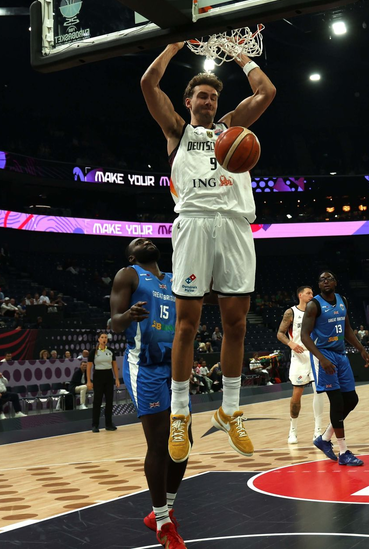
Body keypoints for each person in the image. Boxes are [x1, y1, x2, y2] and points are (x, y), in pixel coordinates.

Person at [141, 41, 276, 466]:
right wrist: (174, 44)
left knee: (235, 323)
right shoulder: (177, 131)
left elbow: (266, 93)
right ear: (188, 100)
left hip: (236, 225)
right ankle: (180, 413)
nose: (209, 100)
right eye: (202, 95)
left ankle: (230, 409)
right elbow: (148, 82)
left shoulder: (232, 127)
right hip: (195, 224)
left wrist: (240, 54)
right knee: (187, 325)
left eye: (214, 96)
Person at [110, 237, 190, 547]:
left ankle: (163, 510)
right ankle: (163, 524)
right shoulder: (128, 275)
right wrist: (127, 316)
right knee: (159, 442)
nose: (146, 240)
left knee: (183, 442)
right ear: (131, 256)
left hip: (175, 367)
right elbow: (114, 322)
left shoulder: (174, 279)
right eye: (137, 242)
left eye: (148, 239)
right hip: (145, 366)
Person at [300, 271, 369, 466]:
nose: (325, 281)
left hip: (341, 355)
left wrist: (361, 349)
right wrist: (321, 359)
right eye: (321, 279)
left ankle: (324, 438)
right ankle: (343, 452)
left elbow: (347, 329)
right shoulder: (314, 305)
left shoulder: (342, 301)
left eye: (329, 278)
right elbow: (305, 336)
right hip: (324, 355)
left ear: (335, 282)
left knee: (352, 399)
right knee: (337, 402)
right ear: (318, 285)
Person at [277, 285, 326, 444]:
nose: (312, 295)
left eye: (312, 293)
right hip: (299, 355)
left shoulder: (316, 312)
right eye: (308, 293)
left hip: (315, 354)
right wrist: (290, 344)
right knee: (296, 395)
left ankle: (318, 430)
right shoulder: (291, 312)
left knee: (319, 392)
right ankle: (293, 429)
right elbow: (280, 333)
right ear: (300, 295)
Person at [87, 332, 120, 432]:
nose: (104, 339)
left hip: (109, 376)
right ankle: (95, 425)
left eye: (105, 337)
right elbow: (89, 367)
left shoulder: (111, 351)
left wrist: (117, 379)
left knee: (109, 400)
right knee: (97, 401)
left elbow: (114, 365)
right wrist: (89, 381)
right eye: (102, 337)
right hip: (98, 376)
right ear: (98, 339)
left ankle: (109, 424)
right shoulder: (94, 352)